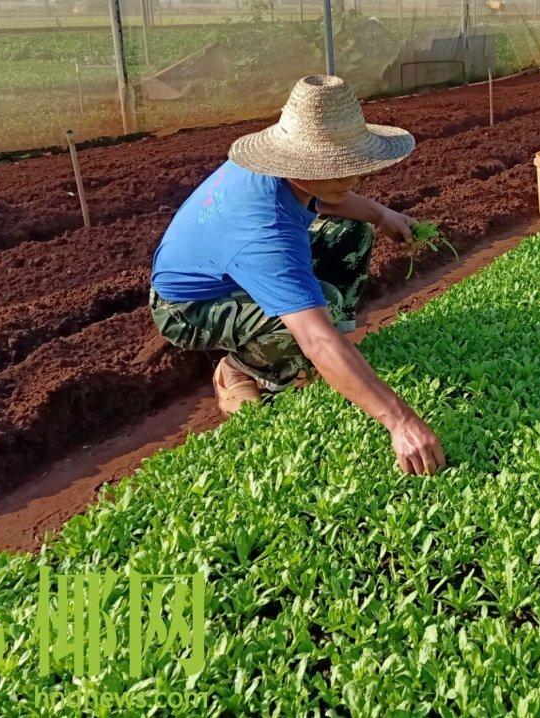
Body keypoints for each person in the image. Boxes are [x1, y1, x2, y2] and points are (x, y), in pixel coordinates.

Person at [149, 74, 446, 476]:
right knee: (305, 328)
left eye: (354, 166)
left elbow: (326, 197)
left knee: (350, 232)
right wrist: (401, 421)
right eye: (339, 169)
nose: (354, 179)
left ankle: (340, 365)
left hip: (230, 267)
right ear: (296, 163)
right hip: (189, 306)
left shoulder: (278, 171)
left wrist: (381, 214)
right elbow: (315, 338)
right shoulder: (266, 232)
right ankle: (241, 369)